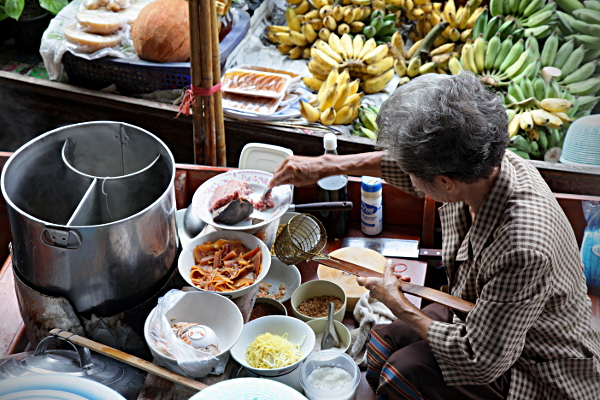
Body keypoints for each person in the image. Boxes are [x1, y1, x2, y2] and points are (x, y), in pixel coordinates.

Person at [268, 72, 600, 399]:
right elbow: (404, 166)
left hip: (535, 360)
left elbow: (480, 359)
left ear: (445, 183)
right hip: (480, 311)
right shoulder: (480, 163)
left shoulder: (522, 248)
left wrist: (397, 303)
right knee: (382, 343)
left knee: (402, 372)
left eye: (414, 175)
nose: (406, 178)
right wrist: (327, 165)